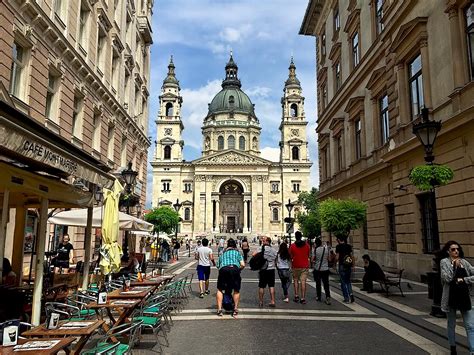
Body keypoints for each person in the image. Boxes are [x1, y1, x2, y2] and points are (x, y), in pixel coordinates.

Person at [440, 240, 474, 354]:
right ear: (448, 251)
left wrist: (464, 280)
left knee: (470, 325)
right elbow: (447, 278)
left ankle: (472, 351)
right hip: (451, 298)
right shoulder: (444, 262)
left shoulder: (464, 262)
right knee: (451, 324)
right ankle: (453, 347)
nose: (456, 251)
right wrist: (455, 268)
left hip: (465, 297)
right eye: (453, 249)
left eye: (457, 249)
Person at [216, 238, 245, 317]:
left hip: (224, 269)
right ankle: (235, 309)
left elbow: (218, 265)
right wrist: (238, 270)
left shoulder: (223, 253)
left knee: (220, 289)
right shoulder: (237, 253)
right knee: (236, 290)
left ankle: (219, 309)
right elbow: (243, 264)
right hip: (235, 269)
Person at [254, 236, 277, 307]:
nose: (262, 242)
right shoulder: (273, 250)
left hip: (263, 270)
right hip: (271, 269)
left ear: (267, 241)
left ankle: (261, 302)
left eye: (263, 241)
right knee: (271, 286)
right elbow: (276, 258)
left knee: (261, 286)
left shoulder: (260, 248)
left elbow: (253, 255)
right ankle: (273, 301)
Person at [289, 231, 310, 304]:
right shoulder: (307, 245)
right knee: (303, 282)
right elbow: (308, 255)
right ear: (301, 236)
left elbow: (290, 256)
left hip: (295, 265)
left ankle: (296, 295)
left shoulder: (292, 246)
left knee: (295, 280)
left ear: (295, 237)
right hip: (304, 266)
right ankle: (303, 298)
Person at [312, 238, 331, 305]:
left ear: (316, 243)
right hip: (325, 269)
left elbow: (312, 260)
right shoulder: (326, 249)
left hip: (318, 269)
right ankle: (328, 297)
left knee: (318, 284)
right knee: (326, 284)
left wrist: (316, 261)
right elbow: (329, 259)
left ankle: (319, 296)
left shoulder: (315, 250)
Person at [335, 236, 354, 303]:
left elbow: (337, 257)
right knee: (348, 281)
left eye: (337, 239)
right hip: (348, 265)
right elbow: (351, 256)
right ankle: (351, 294)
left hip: (342, 265)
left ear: (339, 240)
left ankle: (346, 298)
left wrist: (335, 263)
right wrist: (353, 265)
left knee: (343, 282)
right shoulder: (348, 246)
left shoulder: (338, 247)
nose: (336, 240)